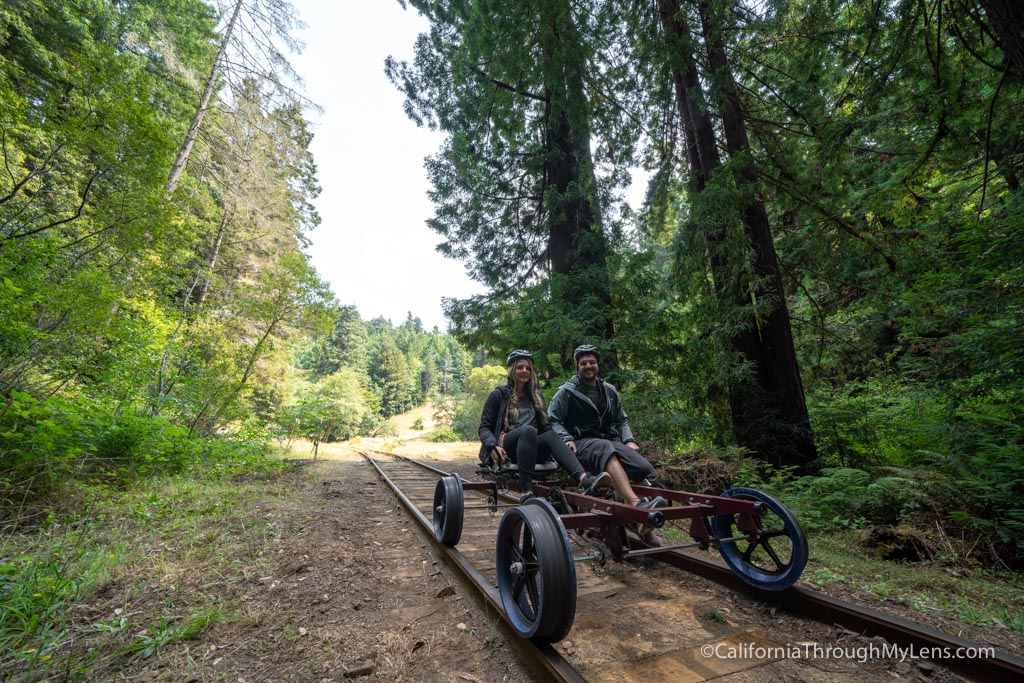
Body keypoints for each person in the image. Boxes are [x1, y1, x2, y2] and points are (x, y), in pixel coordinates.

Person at [547, 343, 665, 546]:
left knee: (643, 467)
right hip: (581, 443)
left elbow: (621, 420)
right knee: (605, 449)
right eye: (583, 363)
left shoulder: (609, 391)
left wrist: (629, 440)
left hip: (608, 440)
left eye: (591, 362)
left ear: (598, 365)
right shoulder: (566, 392)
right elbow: (553, 419)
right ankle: (636, 506)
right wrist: (566, 438)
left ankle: (632, 521)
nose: (588, 366)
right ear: (577, 367)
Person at [479, 350, 611, 501]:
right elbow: (484, 427)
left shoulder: (536, 396)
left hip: (531, 448)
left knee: (551, 434)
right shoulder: (499, 395)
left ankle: (583, 479)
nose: (525, 371)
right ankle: (526, 491)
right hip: (507, 449)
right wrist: (491, 446)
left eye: (528, 368)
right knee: (528, 431)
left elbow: (546, 428)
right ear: (511, 370)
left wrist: (565, 441)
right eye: (520, 367)